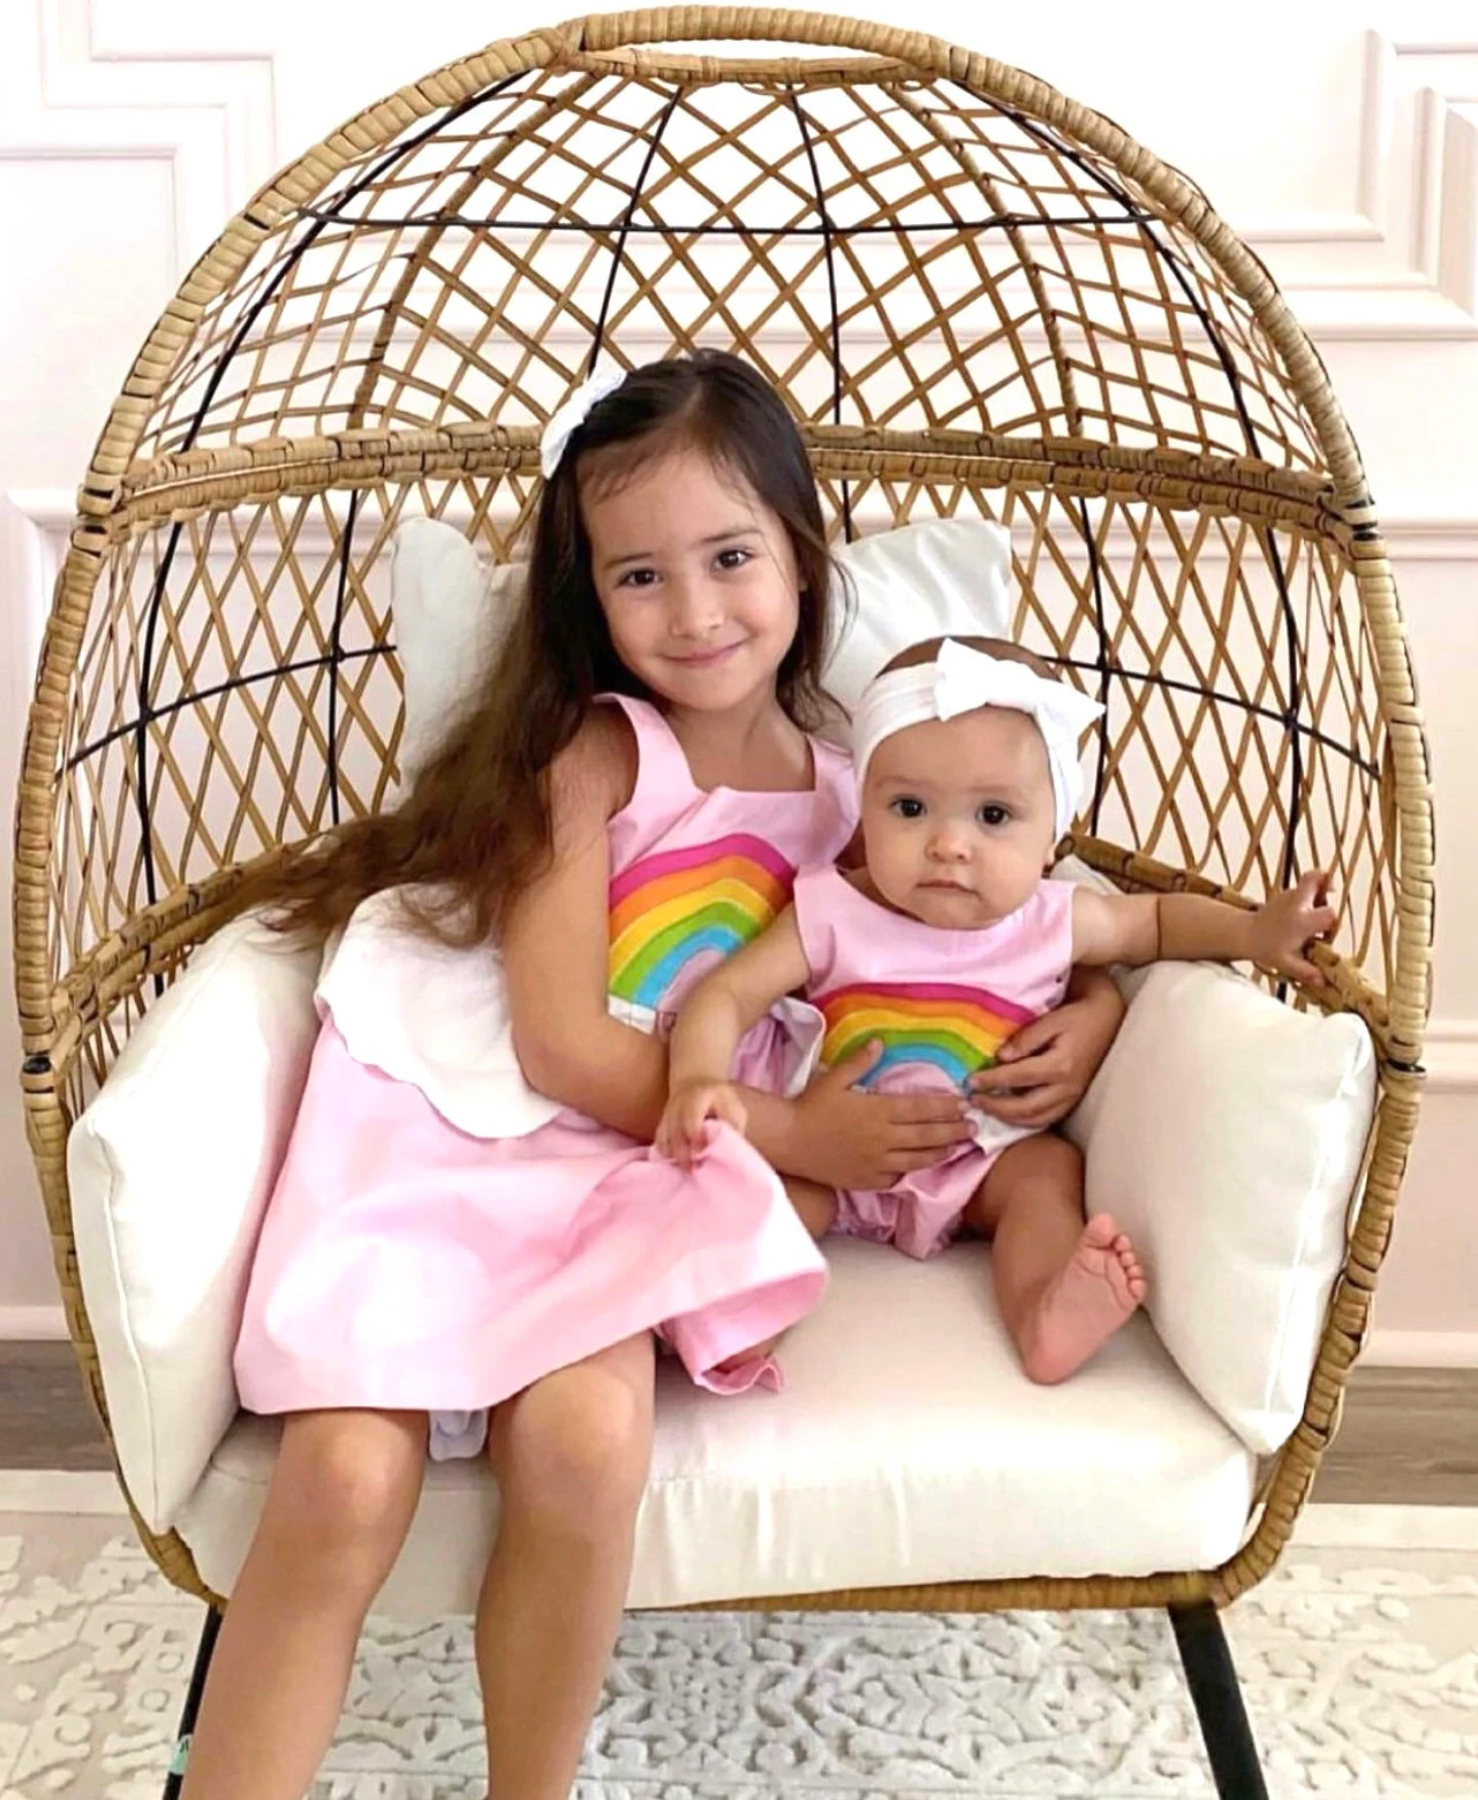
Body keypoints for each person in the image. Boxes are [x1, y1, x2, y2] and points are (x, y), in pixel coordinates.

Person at [181, 354, 1124, 1800]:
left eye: (731, 558)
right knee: (342, 1481)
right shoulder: (591, 754)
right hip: (465, 1127)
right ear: (589, 599)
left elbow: (1008, 921)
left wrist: (1104, 1006)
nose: (693, 612)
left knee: (583, 1441)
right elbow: (558, 1040)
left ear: (804, 560)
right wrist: (792, 1133)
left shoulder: (866, 793)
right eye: (639, 576)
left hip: (635, 1169)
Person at [659, 634, 1336, 1387]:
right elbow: (724, 994)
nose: (949, 844)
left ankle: (1047, 1311)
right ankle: (731, 1325)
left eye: (993, 816)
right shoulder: (831, 908)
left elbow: (1156, 925)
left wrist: (1251, 932)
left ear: (1051, 836)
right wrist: (695, 1082)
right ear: (865, 808)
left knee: (1046, 1175)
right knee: (774, 1203)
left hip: (983, 1159)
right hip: (836, 1154)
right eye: (910, 807)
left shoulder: (1053, 919)